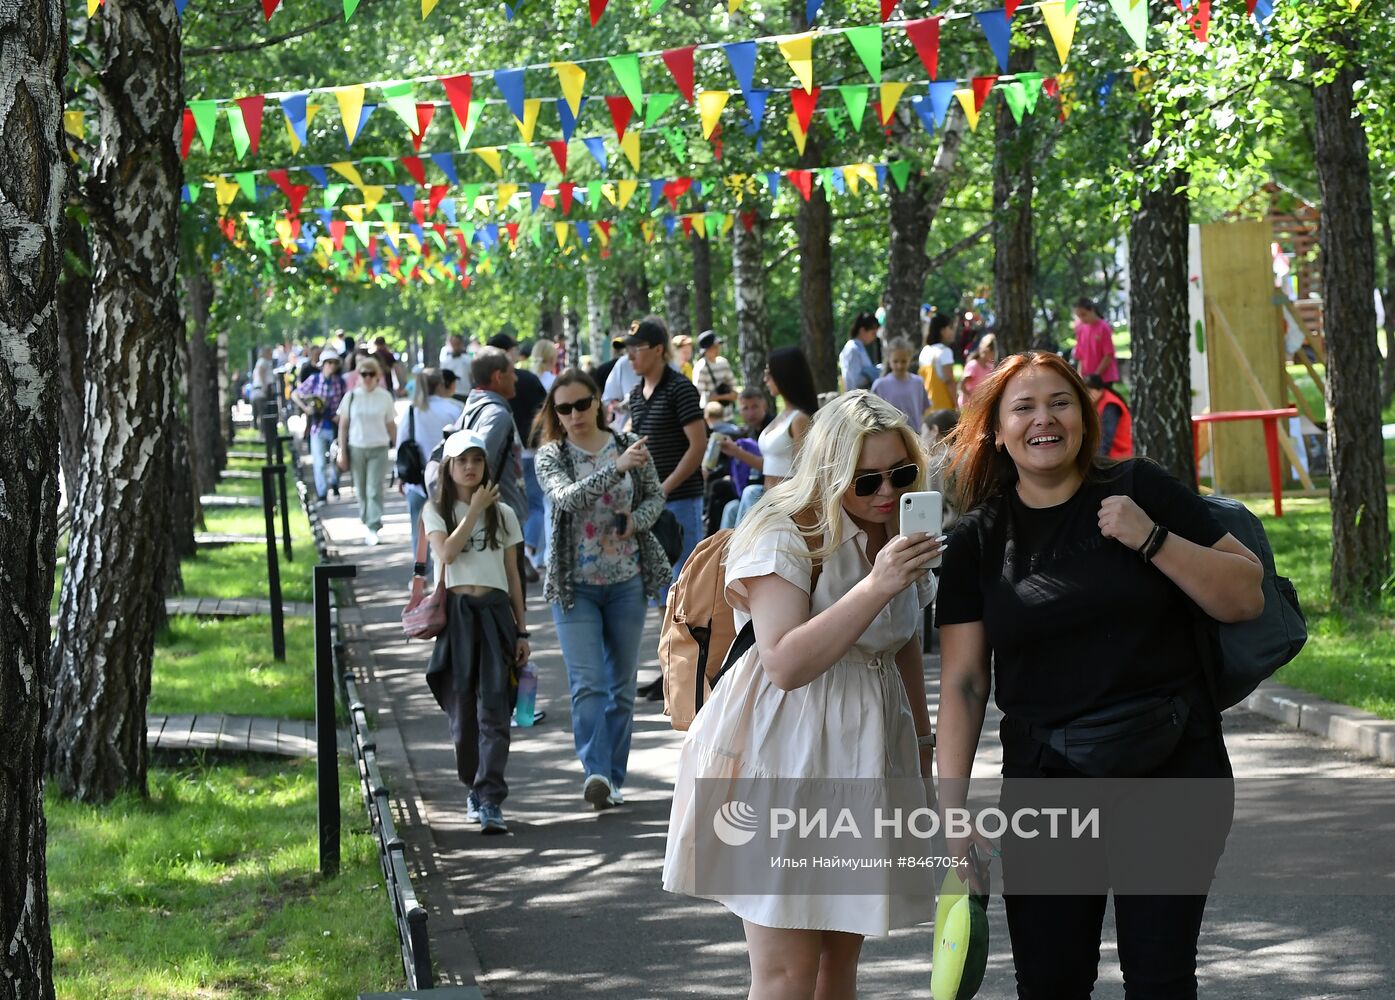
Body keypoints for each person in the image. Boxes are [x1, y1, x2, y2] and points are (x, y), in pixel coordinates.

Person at [934, 351, 1264, 999]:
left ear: (1083, 418)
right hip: (1045, 785)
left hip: (1173, 769)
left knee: (1159, 978)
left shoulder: (1138, 489)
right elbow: (964, 684)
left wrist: (1151, 539)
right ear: (996, 432)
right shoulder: (975, 541)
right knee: (1050, 981)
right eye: (1021, 408)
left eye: (1058, 403)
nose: (1042, 420)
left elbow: (1245, 595)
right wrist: (949, 815)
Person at [662, 391, 945, 994]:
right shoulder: (783, 529)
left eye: (900, 474)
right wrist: (878, 582)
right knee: (788, 970)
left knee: (839, 964)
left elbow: (901, 647)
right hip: (783, 752)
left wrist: (923, 753)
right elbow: (786, 662)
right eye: (866, 479)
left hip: (868, 749)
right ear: (830, 470)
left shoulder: (895, 527)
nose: (886, 493)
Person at [534, 370, 672, 810]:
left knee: (622, 688)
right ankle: (594, 770)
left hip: (626, 581)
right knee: (588, 683)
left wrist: (637, 520)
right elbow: (567, 499)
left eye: (581, 404)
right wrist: (615, 469)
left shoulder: (630, 446)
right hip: (575, 588)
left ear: (597, 402)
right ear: (555, 413)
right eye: (563, 408)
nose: (574, 415)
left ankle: (612, 778)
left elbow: (655, 498)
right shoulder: (550, 456)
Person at [421, 429, 530, 836]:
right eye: (461, 461)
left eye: (477, 460)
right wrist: (473, 511)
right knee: (462, 715)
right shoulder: (435, 510)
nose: (470, 468)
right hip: (457, 616)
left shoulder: (504, 514)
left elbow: (513, 576)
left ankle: (490, 798)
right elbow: (446, 554)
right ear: (448, 468)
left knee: (495, 710)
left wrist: (522, 631)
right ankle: (473, 785)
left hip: (496, 613)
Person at [624, 316, 706, 601]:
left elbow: (698, 446)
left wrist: (664, 489)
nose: (630, 355)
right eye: (627, 349)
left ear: (658, 349)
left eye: (637, 347)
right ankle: (666, 646)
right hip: (649, 504)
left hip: (680, 500)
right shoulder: (635, 394)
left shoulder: (679, 388)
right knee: (659, 588)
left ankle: (690, 646)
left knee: (686, 586)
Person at [454, 346, 531, 594]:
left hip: (484, 518)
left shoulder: (472, 407)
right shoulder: (496, 414)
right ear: (498, 376)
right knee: (507, 600)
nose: (516, 377)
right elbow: (476, 461)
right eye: (512, 372)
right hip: (498, 521)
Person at [489, 334, 547, 583]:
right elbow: (547, 412)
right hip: (531, 451)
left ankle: (521, 551)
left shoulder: (489, 382)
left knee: (512, 507)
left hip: (507, 457)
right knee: (533, 504)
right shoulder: (528, 379)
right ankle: (527, 547)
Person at [397, 367, 464, 569]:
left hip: (417, 481)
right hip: (448, 478)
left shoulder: (412, 411)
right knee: (449, 527)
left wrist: (400, 477)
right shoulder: (454, 409)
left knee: (418, 530)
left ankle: (420, 574)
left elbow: (402, 443)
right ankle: (445, 574)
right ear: (440, 385)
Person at [336, 358, 396, 546]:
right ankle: (366, 518)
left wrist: (397, 445)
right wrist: (341, 451)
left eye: (372, 374)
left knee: (374, 488)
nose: (368, 378)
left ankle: (373, 525)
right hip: (357, 447)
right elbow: (343, 426)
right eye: (364, 374)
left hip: (379, 446)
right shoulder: (351, 397)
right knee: (361, 490)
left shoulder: (384, 396)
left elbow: (391, 424)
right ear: (359, 376)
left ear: (377, 376)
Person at [291, 347, 347, 503]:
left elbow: (346, 402)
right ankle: (322, 493)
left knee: (336, 460)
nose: (331, 366)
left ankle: (334, 484)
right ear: (323, 364)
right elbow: (296, 393)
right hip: (318, 426)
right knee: (320, 463)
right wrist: (306, 408)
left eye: (334, 363)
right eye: (328, 363)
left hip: (335, 428)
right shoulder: (314, 380)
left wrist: (340, 416)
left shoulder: (340, 383)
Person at [716, 388, 774, 531]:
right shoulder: (749, 430)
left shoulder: (772, 428)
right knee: (730, 508)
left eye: (754, 407)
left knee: (750, 492)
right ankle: (723, 552)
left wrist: (737, 452)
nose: (750, 413)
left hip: (773, 489)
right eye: (745, 408)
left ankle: (740, 549)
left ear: (764, 406)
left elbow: (769, 466)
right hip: (758, 487)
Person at [872, 337, 931, 433]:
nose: (899, 365)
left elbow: (924, 410)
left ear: (910, 359)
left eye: (903, 361)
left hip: (915, 435)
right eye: (895, 361)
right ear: (889, 360)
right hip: (890, 436)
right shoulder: (880, 385)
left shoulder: (918, 382)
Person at [1072, 297, 1119, 388]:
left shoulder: (1103, 328)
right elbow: (1080, 356)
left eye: (1083, 314)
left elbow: (1108, 355)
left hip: (1103, 378)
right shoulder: (1081, 328)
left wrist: (1096, 375)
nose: (1082, 318)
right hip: (1087, 378)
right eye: (1079, 316)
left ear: (1092, 310)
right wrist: (1080, 376)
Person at [1086, 373, 1134, 459]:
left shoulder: (1111, 405)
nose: (1087, 396)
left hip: (1118, 457)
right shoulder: (1099, 401)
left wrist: (1097, 462)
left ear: (1100, 390)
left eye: (1089, 392)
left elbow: (1106, 439)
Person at [692, 330, 738, 414]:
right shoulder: (701, 368)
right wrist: (726, 396)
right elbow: (699, 395)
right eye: (714, 346)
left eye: (718, 346)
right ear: (707, 348)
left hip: (728, 412)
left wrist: (719, 397)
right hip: (712, 416)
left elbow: (733, 388)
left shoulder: (723, 362)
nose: (718, 348)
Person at [919, 313, 957, 411]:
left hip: (927, 408)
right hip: (943, 408)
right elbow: (949, 381)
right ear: (943, 330)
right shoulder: (945, 352)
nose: (952, 332)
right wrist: (956, 404)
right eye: (950, 328)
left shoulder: (925, 351)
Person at [839, 313, 881, 392]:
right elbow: (856, 381)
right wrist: (876, 371)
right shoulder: (852, 349)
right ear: (862, 330)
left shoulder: (859, 348)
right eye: (873, 333)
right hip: (855, 399)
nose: (874, 337)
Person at [957, 333, 998, 410]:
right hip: (968, 406)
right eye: (992, 352)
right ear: (986, 350)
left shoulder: (990, 367)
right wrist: (972, 398)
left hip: (981, 407)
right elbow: (962, 385)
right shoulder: (973, 365)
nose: (993, 355)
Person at [251, 347, 277, 436]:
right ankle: (265, 433)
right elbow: (261, 373)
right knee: (264, 412)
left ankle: (266, 432)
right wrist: (264, 387)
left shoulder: (262, 362)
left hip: (262, 388)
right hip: (263, 388)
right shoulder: (263, 362)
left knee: (264, 412)